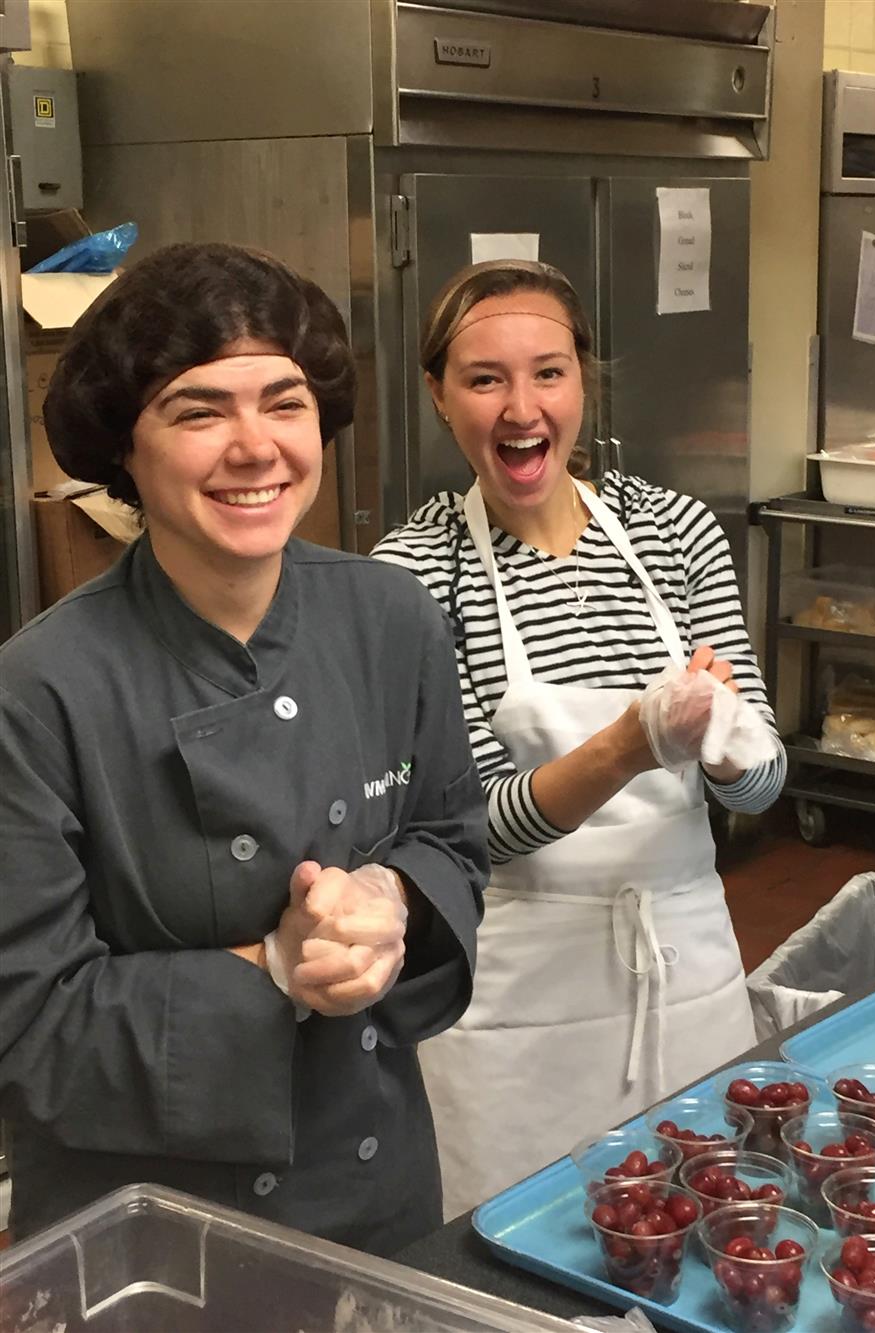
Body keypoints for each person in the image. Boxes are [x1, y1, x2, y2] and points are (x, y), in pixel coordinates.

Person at [0, 242, 488, 1251]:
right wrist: (273, 964)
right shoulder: (39, 692)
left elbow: (452, 836)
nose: (255, 444)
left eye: (284, 401)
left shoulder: (392, 620)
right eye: (197, 410)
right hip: (152, 1233)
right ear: (122, 449)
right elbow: (29, 1027)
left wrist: (387, 902)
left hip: (376, 1189)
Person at [373, 258, 787, 1217]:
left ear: (583, 381)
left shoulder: (676, 530)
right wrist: (630, 745)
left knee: (703, 1232)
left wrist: (724, 744)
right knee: (514, 1257)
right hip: (511, 999)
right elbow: (467, 826)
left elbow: (762, 782)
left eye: (548, 371)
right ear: (439, 396)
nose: (523, 407)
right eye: (485, 378)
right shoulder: (412, 571)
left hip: (685, 968)